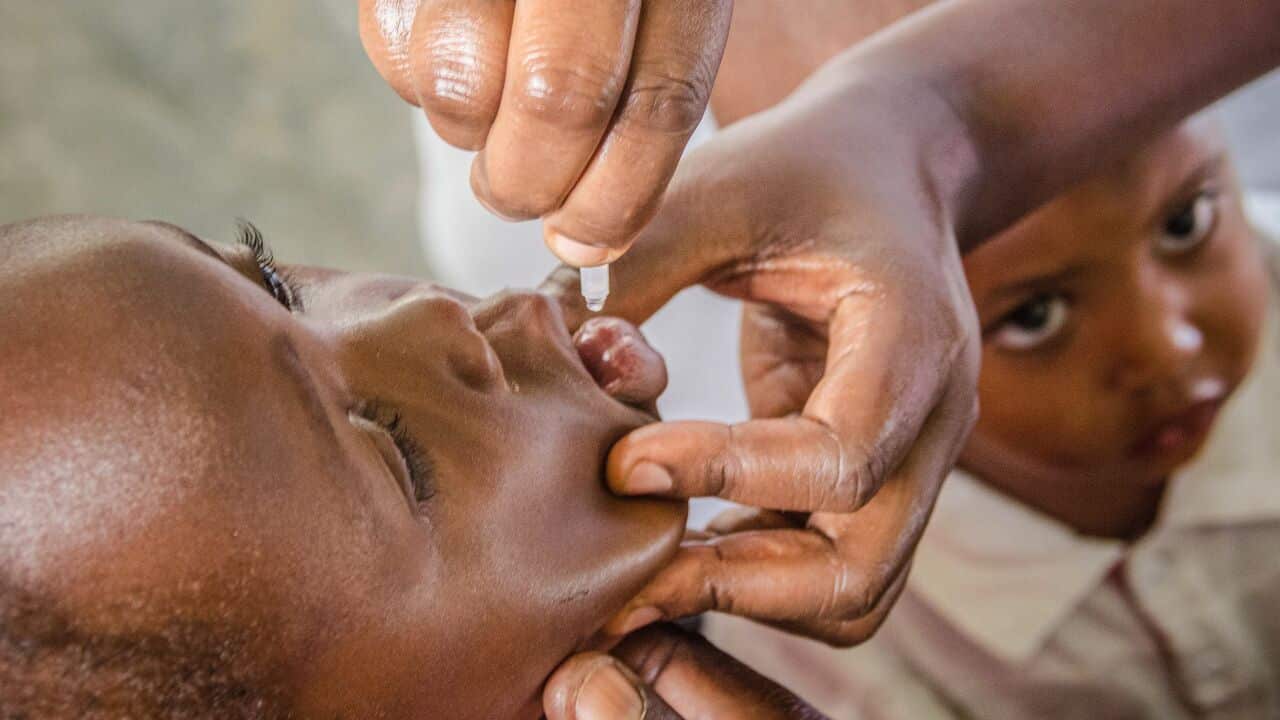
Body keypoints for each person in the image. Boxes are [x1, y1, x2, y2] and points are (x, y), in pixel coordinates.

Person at [365, 0, 1280, 654]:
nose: (461, 329)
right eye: (1034, 314)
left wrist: (935, 124)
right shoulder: (527, 181)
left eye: (1189, 224)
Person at [703, 114, 1280, 718]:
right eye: (1036, 316)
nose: (1167, 348)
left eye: (1186, 223)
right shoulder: (809, 633)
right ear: (832, 346)